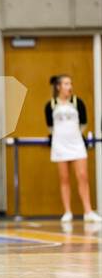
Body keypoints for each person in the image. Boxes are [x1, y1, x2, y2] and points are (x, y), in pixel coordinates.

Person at [45, 75, 101, 222]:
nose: (69, 86)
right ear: (58, 87)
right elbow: (50, 127)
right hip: (60, 145)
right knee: (64, 178)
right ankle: (67, 211)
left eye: (70, 83)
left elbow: (83, 123)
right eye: (66, 83)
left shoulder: (78, 102)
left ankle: (88, 211)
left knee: (82, 176)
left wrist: (73, 135)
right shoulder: (50, 105)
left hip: (76, 144)